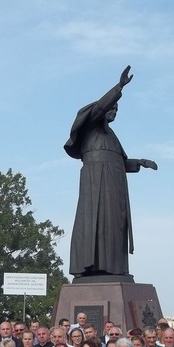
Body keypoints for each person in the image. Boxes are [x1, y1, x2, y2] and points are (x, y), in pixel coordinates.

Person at [63, 65, 157, 279]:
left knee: (113, 225)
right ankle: (92, 266)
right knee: (94, 222)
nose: (114, 112)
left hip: (114, 186)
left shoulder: (112, 136)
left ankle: (112, 266)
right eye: (111, 109)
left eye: (116, 110)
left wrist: (139, 162)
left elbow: (118, 161)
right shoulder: (91, 126)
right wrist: (120, 87)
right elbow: (97, 108)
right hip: (95, 181)